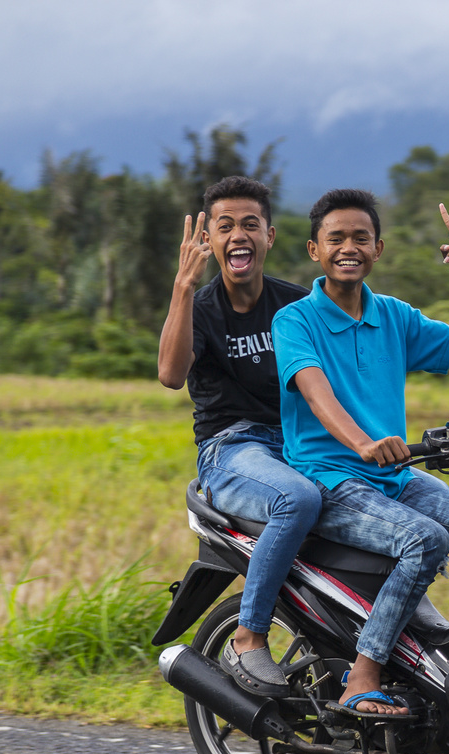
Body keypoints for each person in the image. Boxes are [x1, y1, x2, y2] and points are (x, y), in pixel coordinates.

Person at [272, 189, 449, 719]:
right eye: (336, 239)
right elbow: (315, 391)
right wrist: (363, 443)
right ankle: (363, 676)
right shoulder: (295, 321)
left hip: (395, 477)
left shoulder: (393, 317)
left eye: (360, 238)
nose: (348, 248)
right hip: (331, 477)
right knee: (426, 540)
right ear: (314, 250)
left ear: (379, 248)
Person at [156, 176, 317, 699]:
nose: (238, 235)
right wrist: (183, 287)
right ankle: (248, 638)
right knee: (296, 500)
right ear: (210, 240)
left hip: (296, 444)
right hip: (232, 449)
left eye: (251, 224)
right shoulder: (200, 308)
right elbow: (170, 374)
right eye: (225, 226)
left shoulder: (295, 304)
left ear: (270, 236)